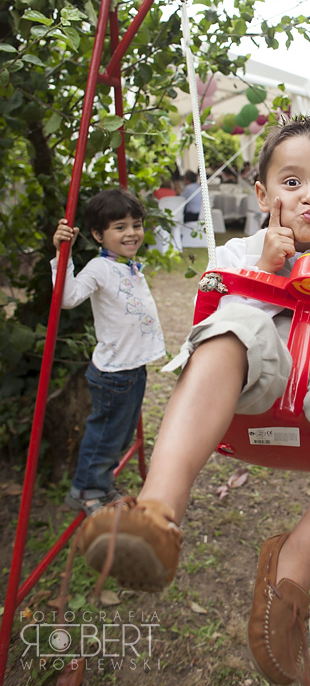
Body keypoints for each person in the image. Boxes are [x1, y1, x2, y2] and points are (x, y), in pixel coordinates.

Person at [77, 116, 310, 684]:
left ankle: (293, 565)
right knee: (234, 325)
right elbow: (215, 325)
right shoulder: (237, 254)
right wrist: (265, 270)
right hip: (251, 386)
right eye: (292, 182)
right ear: (262, 194)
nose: (309, 197)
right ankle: (157, 512)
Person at [51, 189, 165, 515]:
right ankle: (85, 491)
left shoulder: (127, 265)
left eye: (136, 225)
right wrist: (62, 255)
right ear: (98, 235)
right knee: (105, 437)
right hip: (113, 373)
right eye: (120, 227)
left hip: (133, 367)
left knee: (121, 435)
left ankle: (100, 484)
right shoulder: (100, 268)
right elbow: (67, 298)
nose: (131, 233)